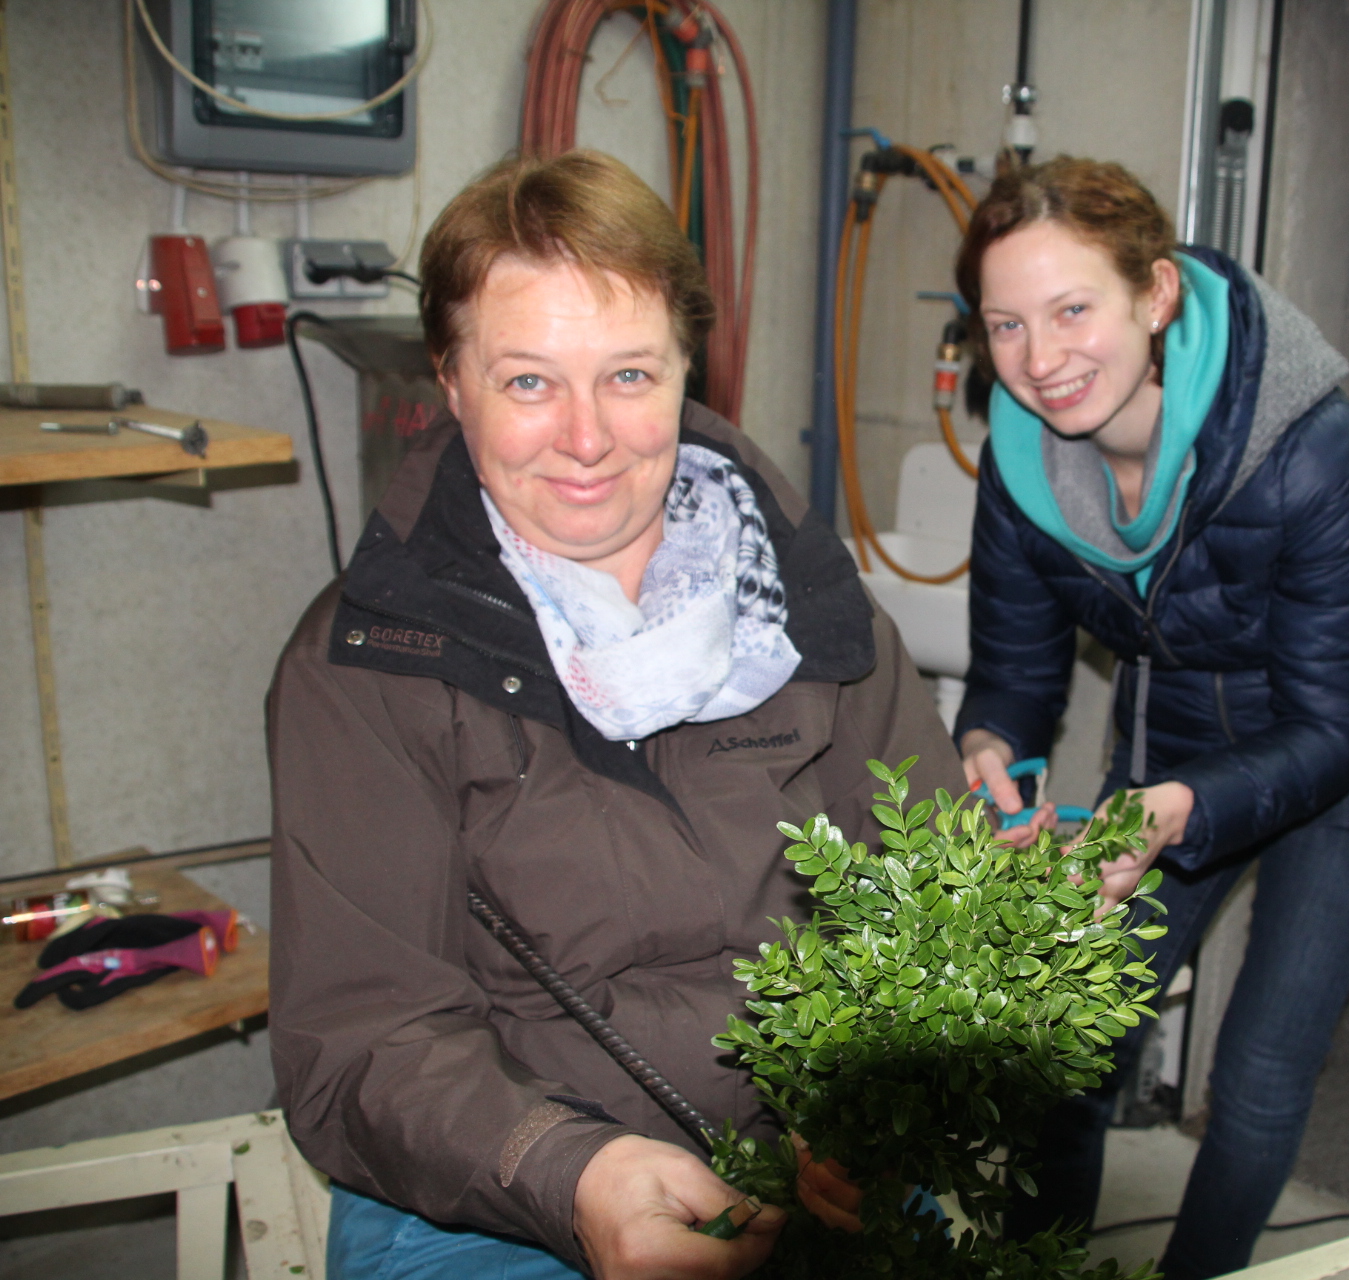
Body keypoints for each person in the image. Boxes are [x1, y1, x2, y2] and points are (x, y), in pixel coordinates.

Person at [266, 151, 960, 1280]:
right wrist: (565, 1170)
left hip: (815, 1155)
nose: (586, 437)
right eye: (528, 382)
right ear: (452, 382)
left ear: (689, 368)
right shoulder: (368, 666)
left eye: (630, 374)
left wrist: (867, 1095)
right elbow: (362, 1036)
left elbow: (925, 894)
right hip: (491, 1187)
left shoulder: (814, 611)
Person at [953, 157, 1349, 1279]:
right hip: (1186, 728)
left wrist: (1172, 810)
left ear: (1157, 294)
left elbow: (1335, 726)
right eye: (1006, 325)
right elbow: (1014, 673)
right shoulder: (1019, 462)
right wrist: (992, 749)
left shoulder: (1307, 449)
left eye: (1072, 310)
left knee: (1261, 1070)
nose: (1041, 360)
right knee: (1070, 1038)